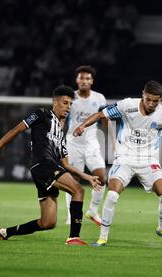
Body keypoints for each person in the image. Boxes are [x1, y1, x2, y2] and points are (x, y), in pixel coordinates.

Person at [73, 80, 162, 246]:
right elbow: (101, 114)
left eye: (155, 101)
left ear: (161, 99)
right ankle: (102, 238)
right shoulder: (127, 105)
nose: (151, 104)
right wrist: (82, 126)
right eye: (148, 99)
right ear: (143, 94)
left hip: (149, 161)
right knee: (112, 195)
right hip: (124, 158)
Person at [0, 85, 101, 246]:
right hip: (43, 165)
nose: (68, 107)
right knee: (78, 190)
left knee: (48, 222)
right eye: (65, 103)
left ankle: (6, 232)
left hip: (47, 169)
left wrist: (88, 177)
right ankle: (73, 238)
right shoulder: (42, 114)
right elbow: (17, 129)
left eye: (71, 104)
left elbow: (66, 164)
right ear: (55, 103)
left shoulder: (61, 132)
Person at [64, 65, 112, 226]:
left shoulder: (99, 98)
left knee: (102, 178)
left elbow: (105, 119)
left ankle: (93, 210)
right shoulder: (70, 97)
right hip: (73, 144)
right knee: (73, 180)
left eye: (87, 78)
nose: (84, 81)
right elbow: (62, 119)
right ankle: (71, 214)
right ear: (76, 80)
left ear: (92, 81)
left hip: (92, 144)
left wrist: (112, 141)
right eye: (81, 78)